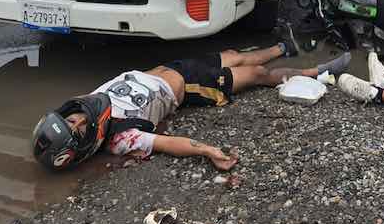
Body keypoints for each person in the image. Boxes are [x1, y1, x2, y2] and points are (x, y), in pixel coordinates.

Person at [33, 39, 351, 172]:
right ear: (88, 142)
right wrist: (208, 151)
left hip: (168, 68)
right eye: (78, 127)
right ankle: (319, 72)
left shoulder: (86, 103)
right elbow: (169, 144)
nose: (77, 118)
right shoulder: (120, 140)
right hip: (189, 87)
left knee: (234, 54)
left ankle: (286, 45)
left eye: (71, 118)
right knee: (256, 75)